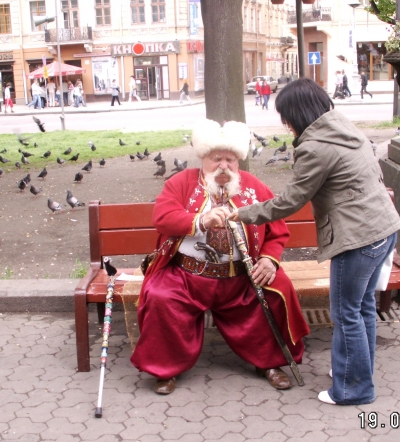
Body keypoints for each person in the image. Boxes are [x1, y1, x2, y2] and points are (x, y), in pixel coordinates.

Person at [229, 78, 400, 406]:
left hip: (358, 240)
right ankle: (356, 372)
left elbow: (289, 202)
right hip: (384, 229)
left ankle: (353, 389)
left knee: (345, 311)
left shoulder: (315, 147)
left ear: (296, 114)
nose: (285, 124)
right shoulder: (342, 127)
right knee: (362, 306)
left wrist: (243, 213)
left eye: (285, 117)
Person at [130, 119, 310, 395]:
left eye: (230, 159)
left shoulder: (254, 187)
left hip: (240, 279)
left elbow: (278, 230)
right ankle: (166, 370)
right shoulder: (180, 183)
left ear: (238, 161)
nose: (224, 166)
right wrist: (201, 220)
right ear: (204, 158)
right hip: (186, 277)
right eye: (216, 159)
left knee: (277, 290)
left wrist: (269, 259)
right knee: (160, 296)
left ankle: (271, 362)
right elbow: (162, 218)